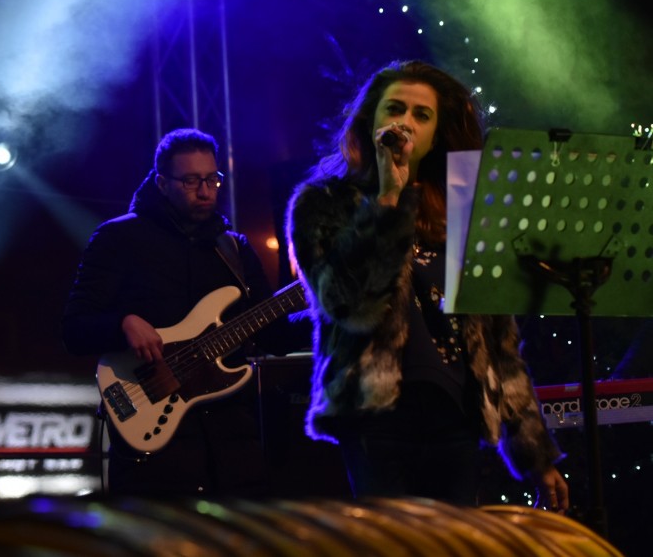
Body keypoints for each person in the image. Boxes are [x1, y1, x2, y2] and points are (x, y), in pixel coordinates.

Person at [285, 60, 570, 511]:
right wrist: (388, 199)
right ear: (371, 121)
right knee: (393, 542)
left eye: (422, 115)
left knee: (452, 541)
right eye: (394, 109)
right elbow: (347, 303)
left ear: (437, 134)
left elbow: (500, 344)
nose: (405, 122)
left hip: (456, 416)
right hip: (375, 418)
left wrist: (536, 455)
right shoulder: (325, 203)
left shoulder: (466, 210)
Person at [62, 128, 309, 496]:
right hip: (157, 462)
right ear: (162, 183)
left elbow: (275, 336)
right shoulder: (118, 239)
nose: (205, 191)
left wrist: (329, 312)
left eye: (212, 179)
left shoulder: (234, 249)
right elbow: (74, 329)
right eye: (191, 181)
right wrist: (123, 323)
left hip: (232, 452)